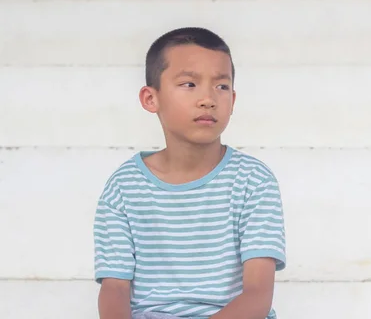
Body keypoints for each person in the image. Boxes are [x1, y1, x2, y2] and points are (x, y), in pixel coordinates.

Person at [93, 27, 286, 319]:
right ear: (150, 98)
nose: (207, 98)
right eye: (189, 84)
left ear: (233, 100)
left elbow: (258, 293)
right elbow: (114, 289)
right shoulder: (123, 188)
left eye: (221, 87)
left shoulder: (254, 181)